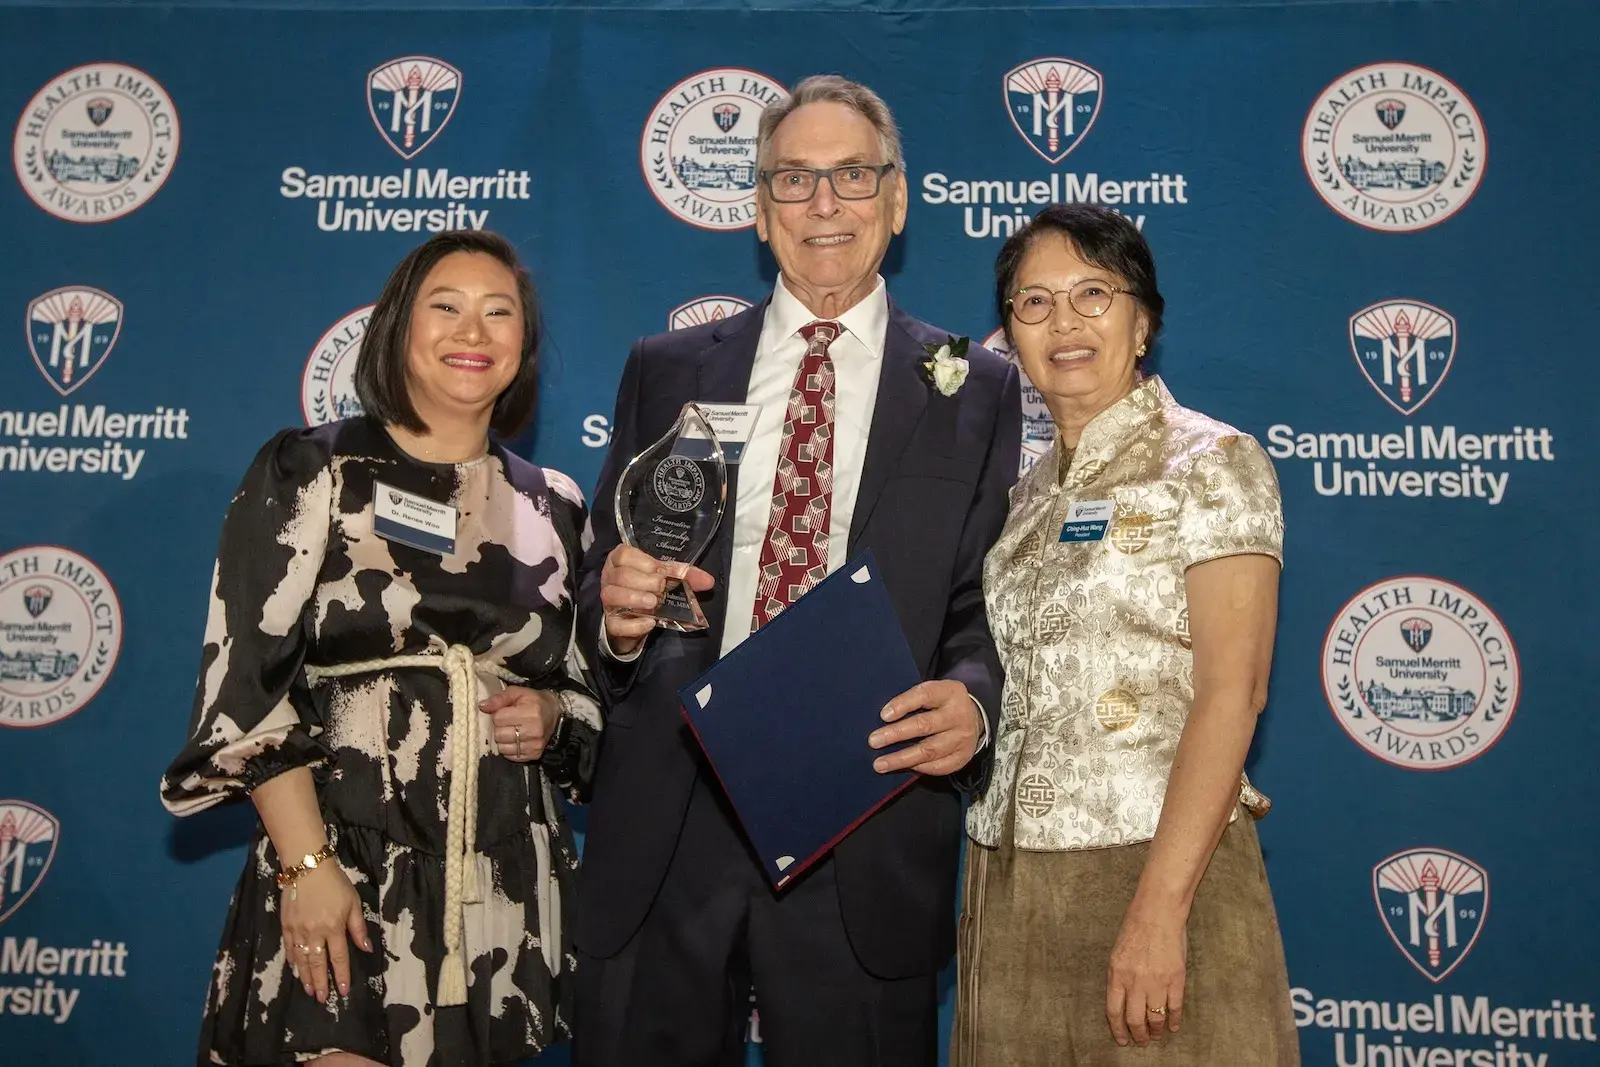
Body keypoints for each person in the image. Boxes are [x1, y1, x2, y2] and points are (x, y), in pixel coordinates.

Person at [567, 76, 1021, 1067]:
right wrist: (618, 615)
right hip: (669, 807)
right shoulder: (666, 367)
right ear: (760, 212)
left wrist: (973, 702)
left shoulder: (975, 387)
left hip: (862, 805)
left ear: (897, 202)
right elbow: (608, 562)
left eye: (851, 175)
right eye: (795, 179)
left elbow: (984, 607)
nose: (825, 204)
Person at [160, 230, 601, 1066]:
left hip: (503, 892)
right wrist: (306, 867)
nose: (473, 332)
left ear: (523, 347)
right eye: (447, 307)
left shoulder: (557, 505)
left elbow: (588, 701)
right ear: (398, 326)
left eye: (498, 313)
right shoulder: (313, 470)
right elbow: (245, 689)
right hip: (344, 866)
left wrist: (551, 712)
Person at [952, 204, 1298, 1066]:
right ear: (1010, 335)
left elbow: (1236, 690)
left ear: (1143, 320)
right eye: (1034, 303)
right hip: (1009, 883)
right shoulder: (1022, 496)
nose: (1063, 321)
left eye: (1093, 294)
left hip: (1159, 871)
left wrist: (1157, 909)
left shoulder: (1212, 461)